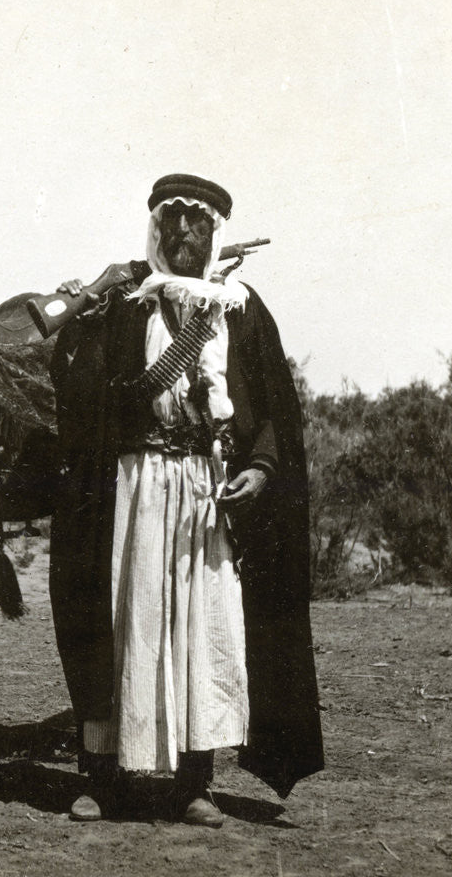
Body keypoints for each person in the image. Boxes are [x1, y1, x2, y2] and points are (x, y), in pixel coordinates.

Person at [49, 174, 323, 824]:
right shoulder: (125, 303)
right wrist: (78, 317)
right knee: (125, 625)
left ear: (213, 234)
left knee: (201, 633)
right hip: (133, 489)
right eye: (171, 227)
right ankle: (102, 777)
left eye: (196, 227)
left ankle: (193, 784)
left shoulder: (241, 308)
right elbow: (78, 389)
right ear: (157, 234)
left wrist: (259, 469)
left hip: (207, 492)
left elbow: (273, 414)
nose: (182, 237)